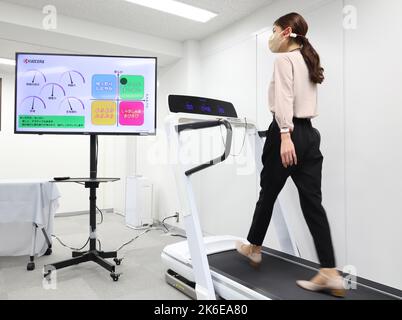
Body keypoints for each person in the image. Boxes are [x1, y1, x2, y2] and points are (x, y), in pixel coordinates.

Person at [236, 12, 345, 298]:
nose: (270, 37)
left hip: (288, 133)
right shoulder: (309, 58)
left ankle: (253, 247)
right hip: (310, 136)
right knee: (313, 204)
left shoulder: (284, 60)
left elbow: (284, 98)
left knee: (268, 192)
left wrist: (284, 135)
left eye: (273, 31)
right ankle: (330, 272)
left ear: (286, 32)